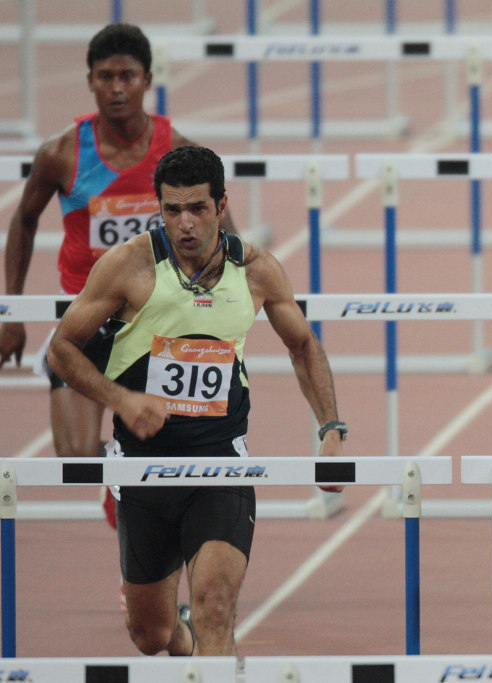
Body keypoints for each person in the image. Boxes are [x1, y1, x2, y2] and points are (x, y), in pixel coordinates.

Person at [47, 145, 345, 656]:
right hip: (144, 470)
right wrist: (121, 399)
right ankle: (183, 644)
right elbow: (62, 349)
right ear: (159, 208)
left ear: (221, 205)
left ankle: (209, 648)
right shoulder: (130, 266)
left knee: (214, 607)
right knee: (151, 635)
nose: (185, 223)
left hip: (220, 466)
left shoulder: (255, 270)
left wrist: (332, 431)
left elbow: (303, 345)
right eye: (172, 210)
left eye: (198, 209)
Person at [0, 23, 234, 479]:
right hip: (88, 318)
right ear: (90, 81)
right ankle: (122, 477)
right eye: (105, 76)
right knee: (76, 456)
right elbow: (23, 221)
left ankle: (136, 487)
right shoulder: (61, 153)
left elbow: (220, 230)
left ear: (147, 79)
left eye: (127, 75)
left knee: (178, 442)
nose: (117, 87)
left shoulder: (178, 149)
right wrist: (10, 313)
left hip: (160, 315)